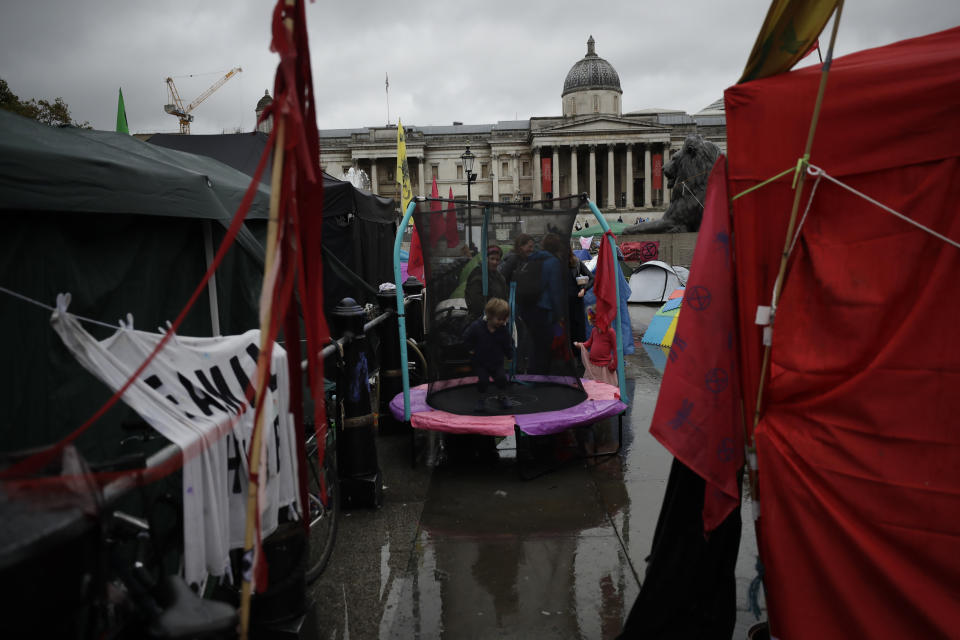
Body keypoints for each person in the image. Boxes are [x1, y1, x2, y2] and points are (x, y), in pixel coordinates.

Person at [462, 297, 513, 410]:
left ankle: (502, 396)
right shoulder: (477, 326)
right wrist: (470, 349)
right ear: (489, 316)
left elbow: (507, 344)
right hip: (481, 362)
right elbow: (466, 336)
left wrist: (510, 356)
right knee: (483, 381)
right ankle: (481, 399)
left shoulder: (503, 330)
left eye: (504, 319)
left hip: (497, 362)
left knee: (501, 378)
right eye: (499, 319)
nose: (502, 322)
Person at [464, 245, 507, 320]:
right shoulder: (477, 275)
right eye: (492, 259)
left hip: (498, 318)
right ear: (485, 258)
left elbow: (505, 296)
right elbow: (476, 302)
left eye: (497, 260)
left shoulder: (499, 277)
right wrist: (490, 316)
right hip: (482, 319)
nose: (494, 262)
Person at [566, 246, 594, 355]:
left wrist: (584, 289)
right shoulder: (556, 264)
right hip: (562, 302)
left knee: (577, 329)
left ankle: (579, 357)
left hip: (576, 301)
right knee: (565, 329)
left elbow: (591, 278)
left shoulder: (576, 262)